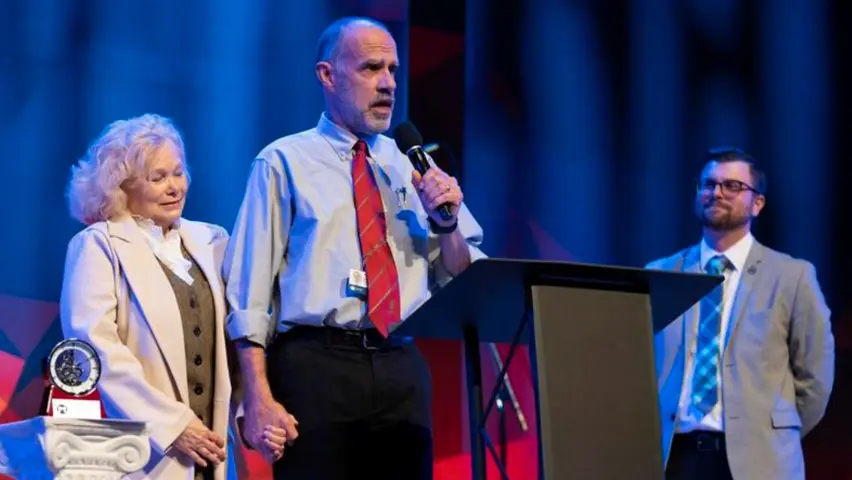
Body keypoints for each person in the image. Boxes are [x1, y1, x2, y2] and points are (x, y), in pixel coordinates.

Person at [223, 16, 486, 480]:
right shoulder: (284, 161)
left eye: (392, 70)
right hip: (315, 366)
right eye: (370, 69)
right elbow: (248, 296)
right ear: (328, 75)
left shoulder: (412, 164)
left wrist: (446, 224)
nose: (387, 84)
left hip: (399, 364)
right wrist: (257, 397)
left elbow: (464, 277)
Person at [60, 113, 251, 479]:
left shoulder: (212, 241)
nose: (174, 187)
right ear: (122, 187)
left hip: (212, 451)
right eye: (157, 177)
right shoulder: (100, 245)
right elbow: (93, 348)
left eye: (178, 173)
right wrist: (172, 424)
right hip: (142, 451)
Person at [647, 147, 834, 480]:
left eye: (732, 186)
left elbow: (816, 379)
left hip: (760, 459)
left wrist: (773, 434)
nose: (716, 192)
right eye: (708, 184)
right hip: (676, 457)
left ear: (757, 203)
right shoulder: (661, 273)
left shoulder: (792, 276)